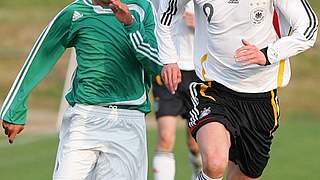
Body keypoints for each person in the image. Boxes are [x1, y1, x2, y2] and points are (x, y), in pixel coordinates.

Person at [0, 0, 162, 179]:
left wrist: (131, 25)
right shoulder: (76, 12)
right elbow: (41, 53)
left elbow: (157, 65)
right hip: (84, 118)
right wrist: (15, 106)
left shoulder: (142, 8)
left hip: (128, 122)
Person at [157, 0, 318, 179]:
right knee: (215, 163)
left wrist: (268, 54)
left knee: (245, 174)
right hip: (214, 88)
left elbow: (308, 27)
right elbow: (167, 13)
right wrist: (169, 58)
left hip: (261, 96)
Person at [151, 2, 202, 180]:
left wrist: (201, 24)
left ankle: (199, 172)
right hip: (168, 67)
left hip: (199, 72)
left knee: (195, 144)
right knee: (165, 138)